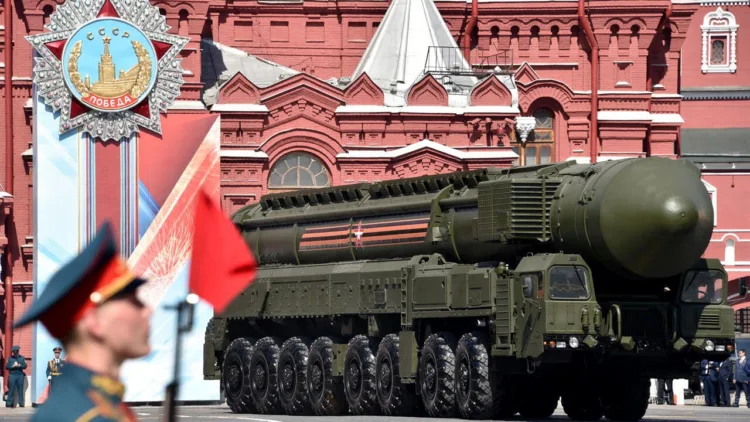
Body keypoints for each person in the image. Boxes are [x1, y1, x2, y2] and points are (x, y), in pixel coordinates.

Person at [14, 222, 152, 421]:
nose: (148, 311)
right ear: (93, 321)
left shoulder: (99, 403)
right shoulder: (85, 414)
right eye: (133, 301)